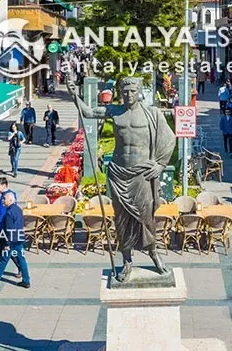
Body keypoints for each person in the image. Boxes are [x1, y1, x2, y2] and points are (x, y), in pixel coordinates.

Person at [71, 76, 176, 282]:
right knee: (121, 219)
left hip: (142, 173)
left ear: (139, 92)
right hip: (119, 173)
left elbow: (169, 138)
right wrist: (74, 93)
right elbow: (88, 112)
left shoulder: (152, 113)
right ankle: (127, 260)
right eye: (125, 91)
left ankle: (154, 254)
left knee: (146, 217)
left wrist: (161, 164)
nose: (129, 95)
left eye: (132, 91)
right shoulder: (115, 111)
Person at [0, 190, 31, 288]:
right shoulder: (18, 209)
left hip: (11, 241)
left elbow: (9, 230)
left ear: (10, 200)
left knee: (3, 260)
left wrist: (7, 244)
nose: (3, 201)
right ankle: (26, 281)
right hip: (19, 239)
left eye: (4, 199)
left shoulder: (8, 213)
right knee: (22, 260)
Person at [0, 177, 22, 279]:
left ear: (4, 185)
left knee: (8, 251)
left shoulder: (7, 196)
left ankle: (20, 267)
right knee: (0, 249)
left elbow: (5, 214)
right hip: (1, 226)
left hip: (4, 227)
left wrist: (0, 228)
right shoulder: (6, 195)